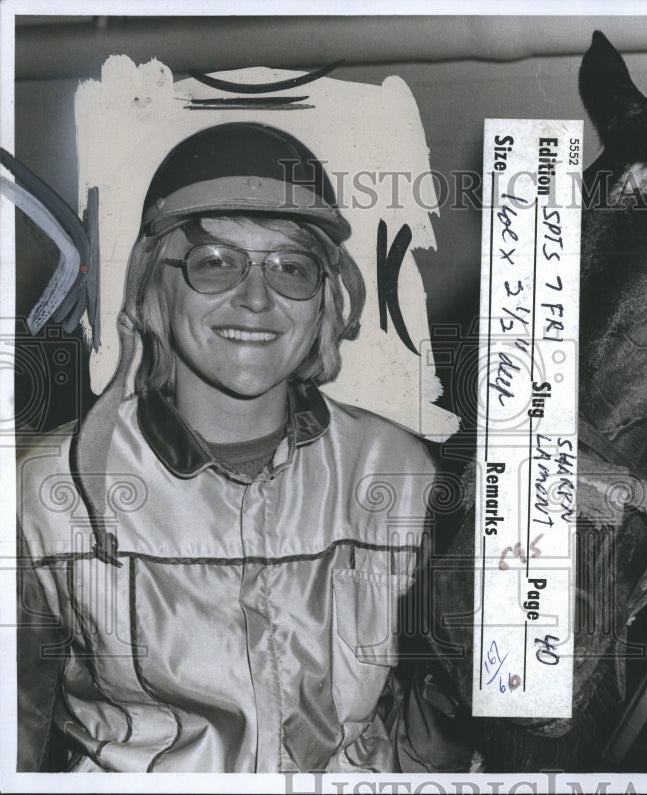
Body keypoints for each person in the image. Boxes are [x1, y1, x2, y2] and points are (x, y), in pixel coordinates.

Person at [17, 123, 470, 773]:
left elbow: (439, 719)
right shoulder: (46, 494)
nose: (256, 298)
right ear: (156, 284)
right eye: (215, 262)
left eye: (291, 267)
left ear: (324, 300)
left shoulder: (406, 474)